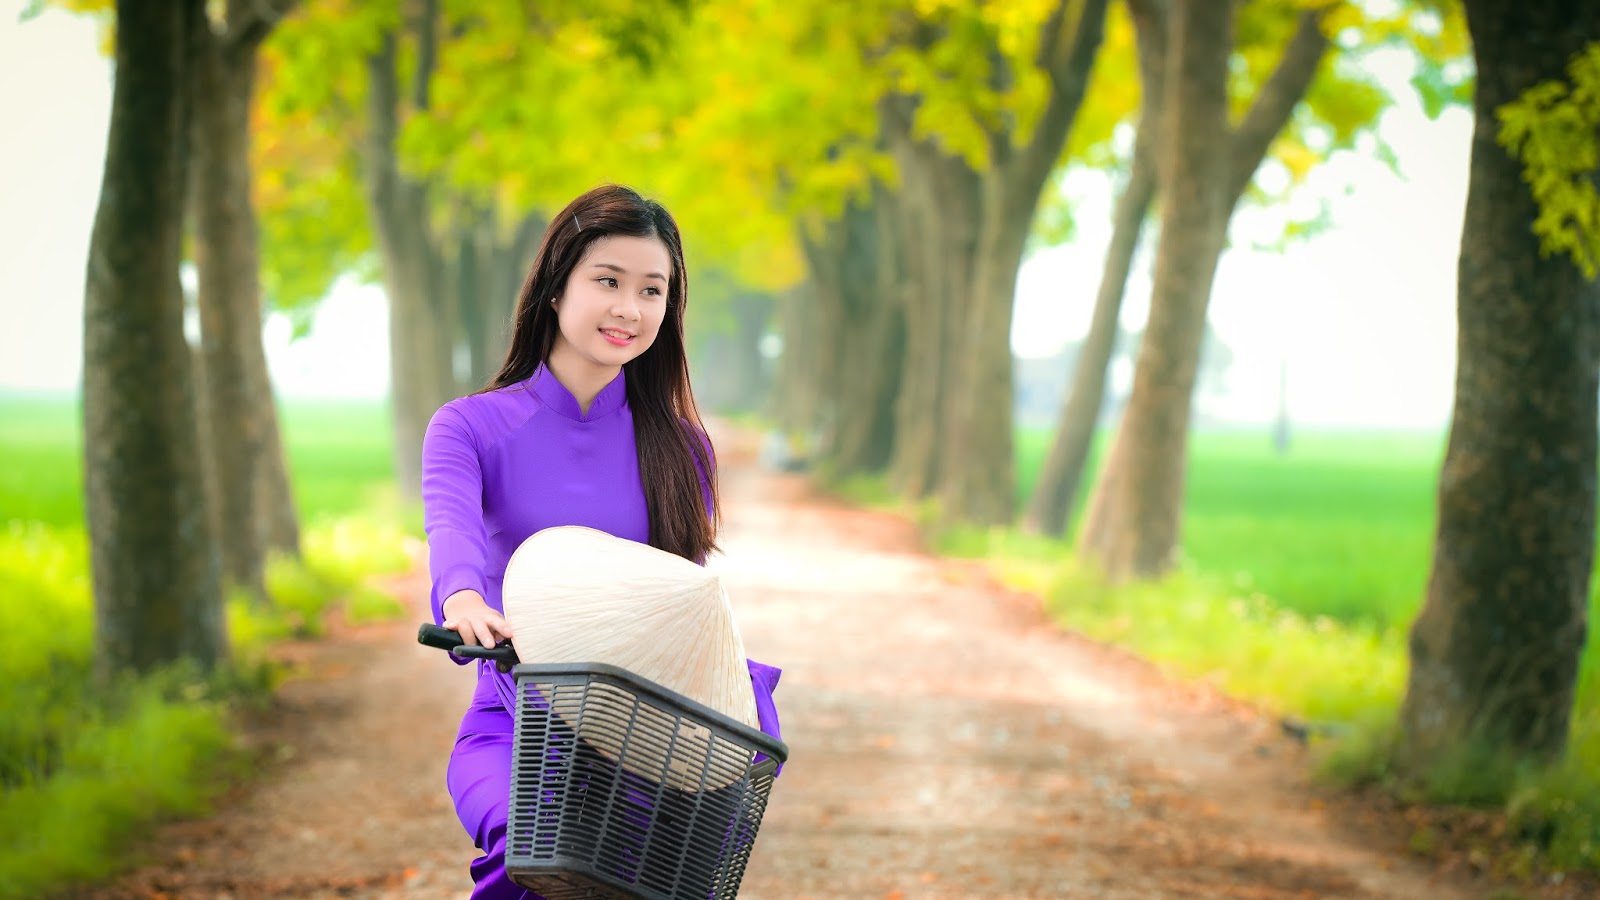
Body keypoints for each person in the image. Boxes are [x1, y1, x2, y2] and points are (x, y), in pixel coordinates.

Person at [421, 184, 783, 899]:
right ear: (557, 288)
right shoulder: (468, 428)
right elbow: (451, 529)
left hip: (645, 738)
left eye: (653, 290)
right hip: (516, 720)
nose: (629, 308)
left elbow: (682, 603)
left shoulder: (681, 449)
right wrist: (463, 597)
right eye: (608, 281)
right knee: (526, 853)